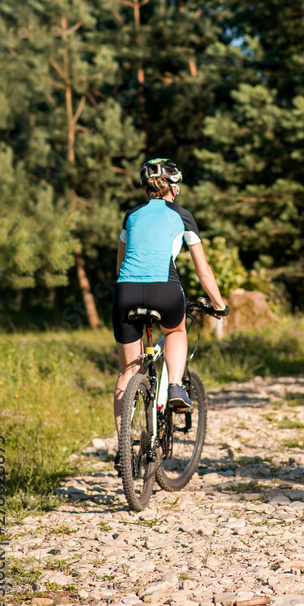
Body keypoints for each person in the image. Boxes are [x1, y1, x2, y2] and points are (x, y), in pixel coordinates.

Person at [112, 158, 228, 469]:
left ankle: (124, 448)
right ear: (173, 188)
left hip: (125, 292)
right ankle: (175, 384)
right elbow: (203, 271)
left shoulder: (131, 216)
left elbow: (120, 264)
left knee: (128, 371)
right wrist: (219, 305)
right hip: (165, 289)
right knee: (176, 331)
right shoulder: (182, 216)